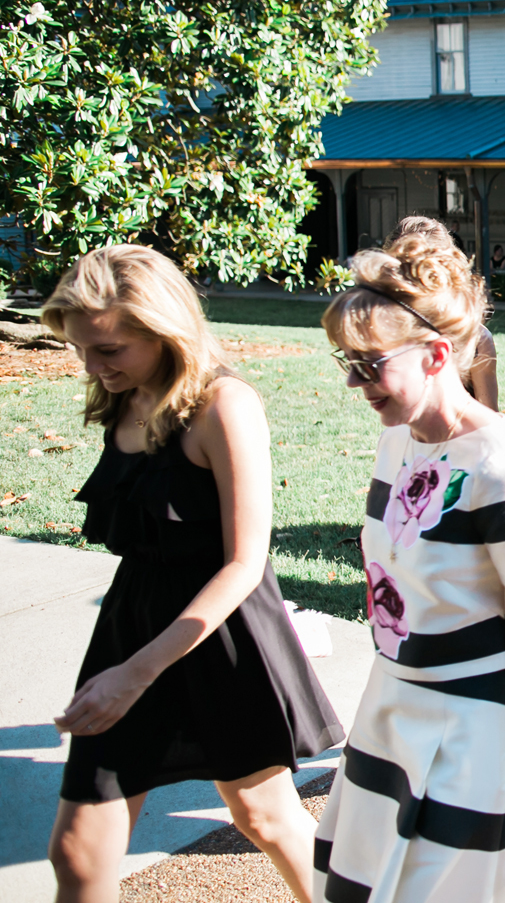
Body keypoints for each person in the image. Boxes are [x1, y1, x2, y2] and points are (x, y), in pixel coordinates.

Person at [43, 246, 342, 903]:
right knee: (74, 851)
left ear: (163, 331)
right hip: (133, 623)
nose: (93, 367)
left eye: (110, 349)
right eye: (82, 350)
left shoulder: (223, 404)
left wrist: (136, 673)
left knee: (265, 816)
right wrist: (126, 663)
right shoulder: (124, 396)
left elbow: (244, 561)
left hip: (223, 634)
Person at [316, 232, 505, 898]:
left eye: (370, 363)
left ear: (439, 354)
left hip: (474, 735)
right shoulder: (396, 440)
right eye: (347, 360)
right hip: (391, 708)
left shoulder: (503, 469)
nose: (353, 381)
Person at [389, 217, 499, 410]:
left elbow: (488, 417)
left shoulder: (476, 341)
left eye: (416, 268)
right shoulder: (389, 331)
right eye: (399, 268)